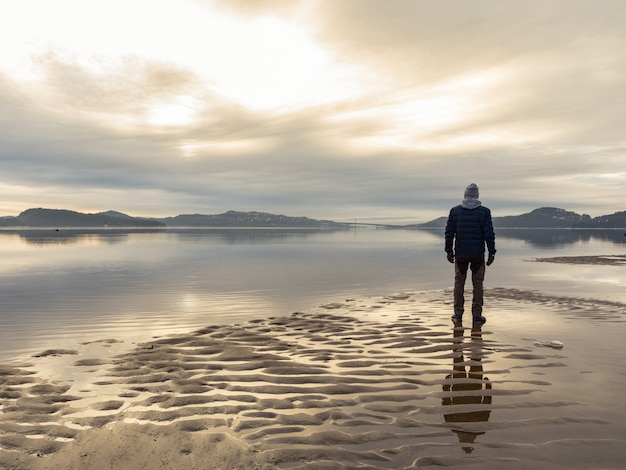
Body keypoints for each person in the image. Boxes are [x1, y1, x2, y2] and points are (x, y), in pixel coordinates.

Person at [445, 183, 496, 325]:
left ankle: (458, 315)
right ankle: (476, 316)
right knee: (478, 284)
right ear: (477, 195)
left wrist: (449, 250)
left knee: (459, 283)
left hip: (460, 253)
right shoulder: (484, 212)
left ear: (465, 195)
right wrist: (492, 251)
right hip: (477, 254)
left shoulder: (455, 211)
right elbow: (489, 234)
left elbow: (449, 233)